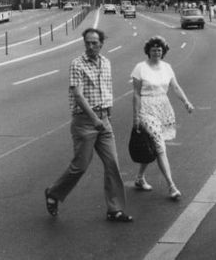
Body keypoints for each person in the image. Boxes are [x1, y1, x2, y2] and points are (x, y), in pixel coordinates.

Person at [44, 27, 133, 222]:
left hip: (104, 120)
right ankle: (53, 193)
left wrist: (107, 112)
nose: (91, 46)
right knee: (80, 166)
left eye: (94, 43)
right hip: (85, 122)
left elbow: (106, 88)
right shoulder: (77, 64)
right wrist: (94, 119)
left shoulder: (106, 62)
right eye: (87, 43)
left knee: (113, 165)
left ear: (101, 43)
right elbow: (78, 94)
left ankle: (114, 209)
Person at [131, 36, 194, 200]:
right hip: (146, 107)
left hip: (163, 108)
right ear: (148, 51)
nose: (156, 52)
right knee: (159, 146)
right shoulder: (140, 68)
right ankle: (171, 186)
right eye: (153, 49)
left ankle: (139, 178)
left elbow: (175, 86)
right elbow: (136, 94)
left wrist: (186, 102)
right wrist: (136, 116)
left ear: (163, 51)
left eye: (159, 50)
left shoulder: (167, 67)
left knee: (152, 144)